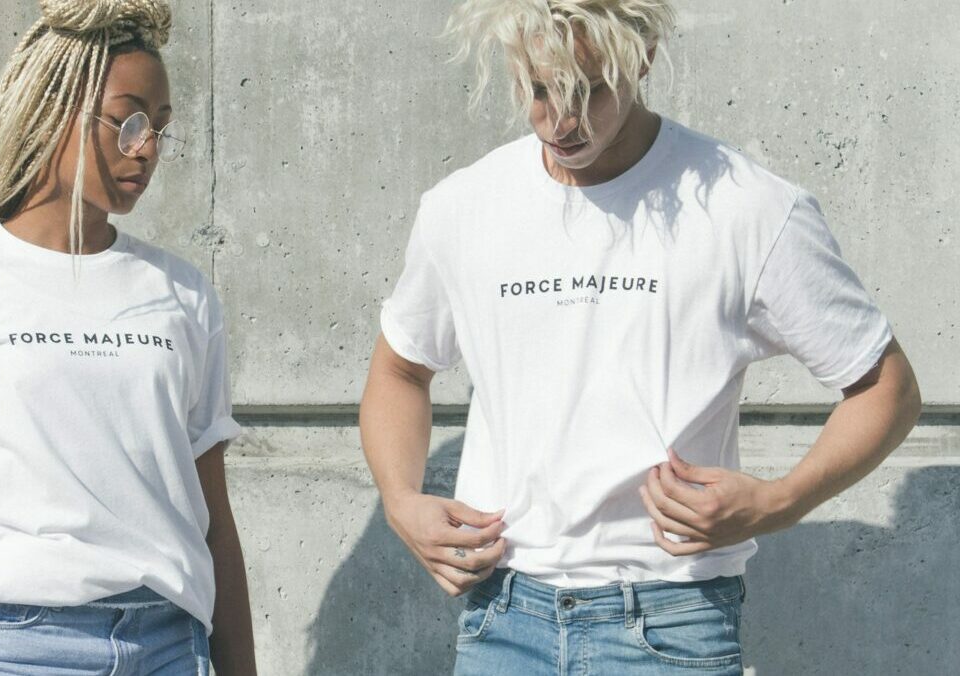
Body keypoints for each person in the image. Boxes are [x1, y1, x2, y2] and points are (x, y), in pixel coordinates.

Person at [359, 1, 922, 674]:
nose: (560, 121)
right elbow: (400, 369)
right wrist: (400, 499)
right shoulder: (463, 207)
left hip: (669, 621)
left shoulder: (748, 207)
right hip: (503, 618)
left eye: (588, 91)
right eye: (539, 90)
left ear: (643, 56)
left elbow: (885, 387)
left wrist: (778, 501)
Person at [0, 1, 256, 674]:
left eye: (160, 127)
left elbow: (215, 524)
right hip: (15, 649)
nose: (147, 149)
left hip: (170, 643)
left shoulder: (183, 295)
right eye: (129, 120)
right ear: (56, 107)